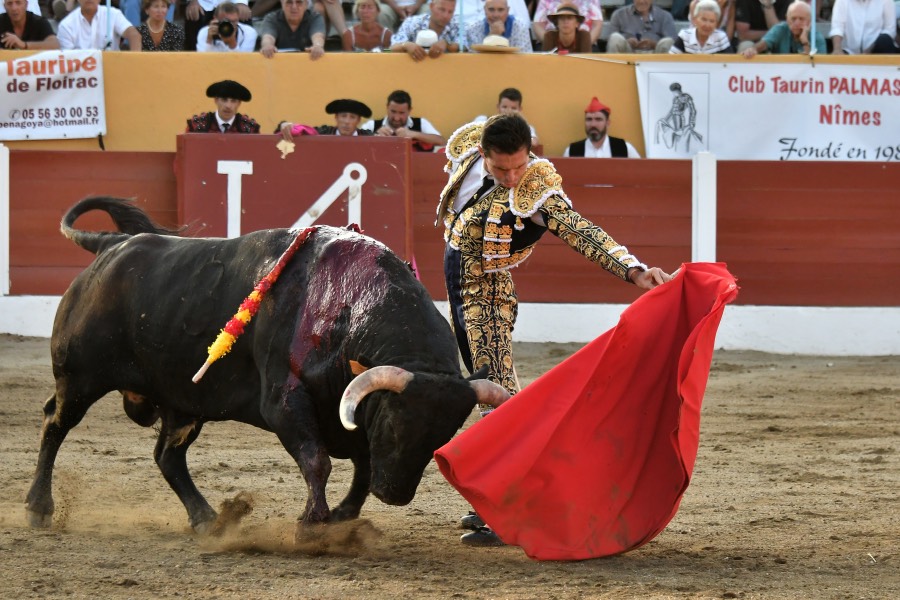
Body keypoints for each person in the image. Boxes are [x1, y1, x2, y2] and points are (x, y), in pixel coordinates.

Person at [435, 114, 670, 545]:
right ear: (483, 155)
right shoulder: (471, 147)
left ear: (532, 154)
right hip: (455, 286)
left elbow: (584, 233)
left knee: (497, 399)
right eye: (501, 168)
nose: (511, 177)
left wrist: (633, 270)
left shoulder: (539, 192)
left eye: (519, 166)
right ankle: (496, 499)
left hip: (486, 296)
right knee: (490, 393)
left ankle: (510, 511)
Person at [361, 89, 446, 152]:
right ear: (387, 107)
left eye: (401, 113)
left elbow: (442, 141)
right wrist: (374, 137)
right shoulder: (372, 125)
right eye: (393, 111)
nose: (396, 117)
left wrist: (413, 134)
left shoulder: (421, 123)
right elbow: (355, 144)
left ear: (409, 110)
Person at [742, 0, 825, 56]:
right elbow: (763, 45)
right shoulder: (781, 29)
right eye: (793, 19)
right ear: (787, 19)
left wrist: (805, 42)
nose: (797, 23)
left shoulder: (817, 38)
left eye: (801, 19)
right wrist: (753, 49)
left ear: (809, 21)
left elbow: (817, 67)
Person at [563, 97, 640, 158]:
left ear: (607, 122)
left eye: (598, 119)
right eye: (589, 119)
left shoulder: (624, 148)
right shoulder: (572, 151)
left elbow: (639, 174)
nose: (593, 124)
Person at [57, 0, 141, 51]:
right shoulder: (66, 25)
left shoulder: (113, 14)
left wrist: (136, 61)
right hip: (82, 76)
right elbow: (67, 58)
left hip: (112, 69)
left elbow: (134, 34)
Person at [390, 0, 460, 60]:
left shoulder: (458, 26)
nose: (445, 16)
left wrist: (447, 44)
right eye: (442, 10)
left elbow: (464, 47)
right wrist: (405, 45)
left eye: (450, 12)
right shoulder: (412, 23)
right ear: (431, 6)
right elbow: (390, 49)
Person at [186, 80, 261, 134]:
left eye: (233, 101)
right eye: (224, 100)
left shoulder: (251, 130)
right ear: (216, 100)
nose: (228, 106)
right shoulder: (196, 127)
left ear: (239, 103)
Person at [277, 98, 375, 139]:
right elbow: (301, 131)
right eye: (343, 116)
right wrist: (284, 125)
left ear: (358, 121)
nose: (347, 122)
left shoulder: (369, 137)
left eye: (352, 117)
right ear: (336, 118)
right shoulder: (323, 132)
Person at [472, 88, 540, 146]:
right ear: (498, 107)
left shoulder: (525, 128)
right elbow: (471, 136)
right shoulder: (482, 120)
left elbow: (533, 141)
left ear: (520, 109)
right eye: (504, 107)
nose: (508, 111)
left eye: (513, 108)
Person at [259, 0, 326, 58]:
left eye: (299, 2)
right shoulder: (271, 18)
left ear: (306, 4)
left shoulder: (315, 18)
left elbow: (318, 36)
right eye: (289, 2)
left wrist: (317, 46)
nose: (294, 7)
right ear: (282, 3)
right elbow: (268, 37)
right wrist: (267, 45)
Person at [605, 0, 677, 54]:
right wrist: (627, 42)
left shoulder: (665, 16)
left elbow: (673, 43)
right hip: (628, 54)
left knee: (668, 41)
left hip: (655, 55)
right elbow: (610, 40)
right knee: (615, 37)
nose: (642, 1)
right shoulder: (619, 14)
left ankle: (665, 73)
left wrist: (654, 44)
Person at [830, 0, 899, 54]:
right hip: (850, 52)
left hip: (877, 49)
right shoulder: (842, 1)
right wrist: (837, 49)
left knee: (885, 41)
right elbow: (837, 27)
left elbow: (890, 30)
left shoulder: (886, 1)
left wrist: (869, 51)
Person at [465, 0, 533, 52]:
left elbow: (526, 58)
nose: (496, 15)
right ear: (485, 10)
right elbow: (475, 61)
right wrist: (492, 35)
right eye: (491, 9)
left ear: (507, 10)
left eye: (500, 10)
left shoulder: (519, 27)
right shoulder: (474, 29)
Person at [670, 0, 735, 53]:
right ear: (694, 20)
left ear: (716, 24)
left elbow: (730, 64)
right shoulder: (685, 36)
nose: (707, 25)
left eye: (712, 21)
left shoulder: (721, 37)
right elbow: (671, 60)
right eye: (704, 19)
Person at [184, 0, 251, 51]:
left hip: (232, 4)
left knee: (243, 16)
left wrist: (242, 2)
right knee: (193, 14)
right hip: (204, 4)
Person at [533, 0, 602, 49]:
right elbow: (538, 25)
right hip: (550, 43)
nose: (566, 21)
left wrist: (585, 43)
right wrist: (549, 42)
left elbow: (597, 25)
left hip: (585, 43)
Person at [655, 82, 702, 152]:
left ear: (678, 90)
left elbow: (693, 111)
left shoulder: (686, 97)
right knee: (676, 135)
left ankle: (681, 151)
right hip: (674, 118)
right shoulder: (675, 98)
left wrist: (692, 122)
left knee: (681, 135)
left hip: (680, 119)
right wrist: (666, 120)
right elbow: (672, 111)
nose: (673, 93)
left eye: (674, 92)